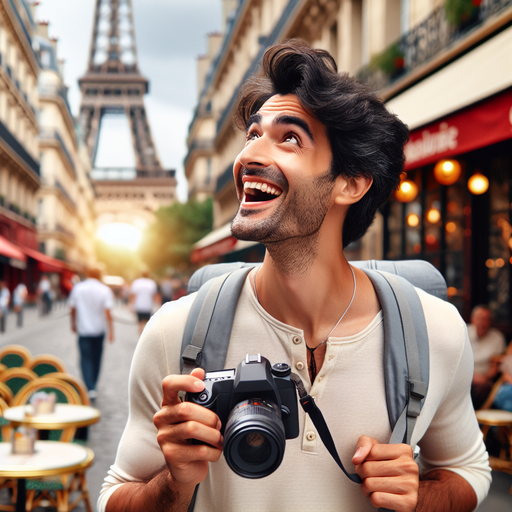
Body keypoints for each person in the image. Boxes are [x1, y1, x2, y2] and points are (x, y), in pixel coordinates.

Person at [99, 41, 491, 512]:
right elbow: (113, 494)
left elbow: (470, 470)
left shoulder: (435, 332)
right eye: (252, 134)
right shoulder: (176, 332)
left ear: (351, 183)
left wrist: (420, 494)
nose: (248, 157)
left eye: (289, 138)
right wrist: (174, 482)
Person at [68, 268, 114, 400]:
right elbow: (108, 313)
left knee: (85, 358)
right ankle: (92, 385)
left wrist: (73, 324)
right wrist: (111, 331)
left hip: (84, 330)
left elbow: (72, 308)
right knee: (97, 359)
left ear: (88, 274)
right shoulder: (104, 290)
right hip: (99, 330)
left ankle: (89, 386)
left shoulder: (78, 288)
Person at [467, 304, 506, 409]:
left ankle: (475, 419)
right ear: (472, 319)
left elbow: (496, 366)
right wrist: (471, 376)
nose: (482, 322)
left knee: (482, 388)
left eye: (486, 319)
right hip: (464, 374)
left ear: (490, 322)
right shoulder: (464, 332)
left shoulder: (497, 338)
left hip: (484, 379)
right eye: (479, 318)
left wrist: (485, 378)